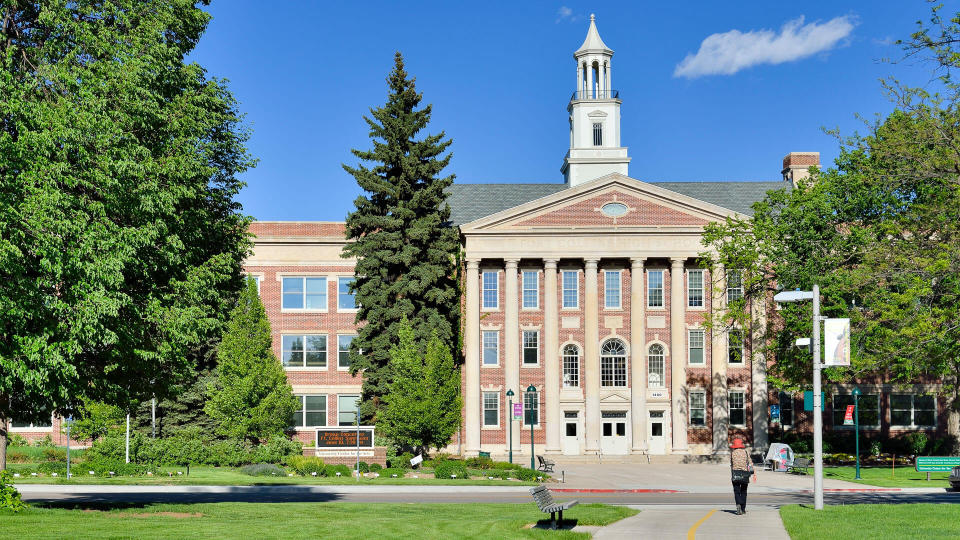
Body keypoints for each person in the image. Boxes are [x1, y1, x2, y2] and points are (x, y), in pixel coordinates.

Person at [729, 438, 753, 515]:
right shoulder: (746, 452)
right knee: (744, 491)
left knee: (736, 491)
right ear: (741, 445)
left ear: (735, 446)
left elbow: (731, 464)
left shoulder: (732, 453)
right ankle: (743, 509)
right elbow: (750, 463)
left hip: (735, 474)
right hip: (744, 474)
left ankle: (738, 504)